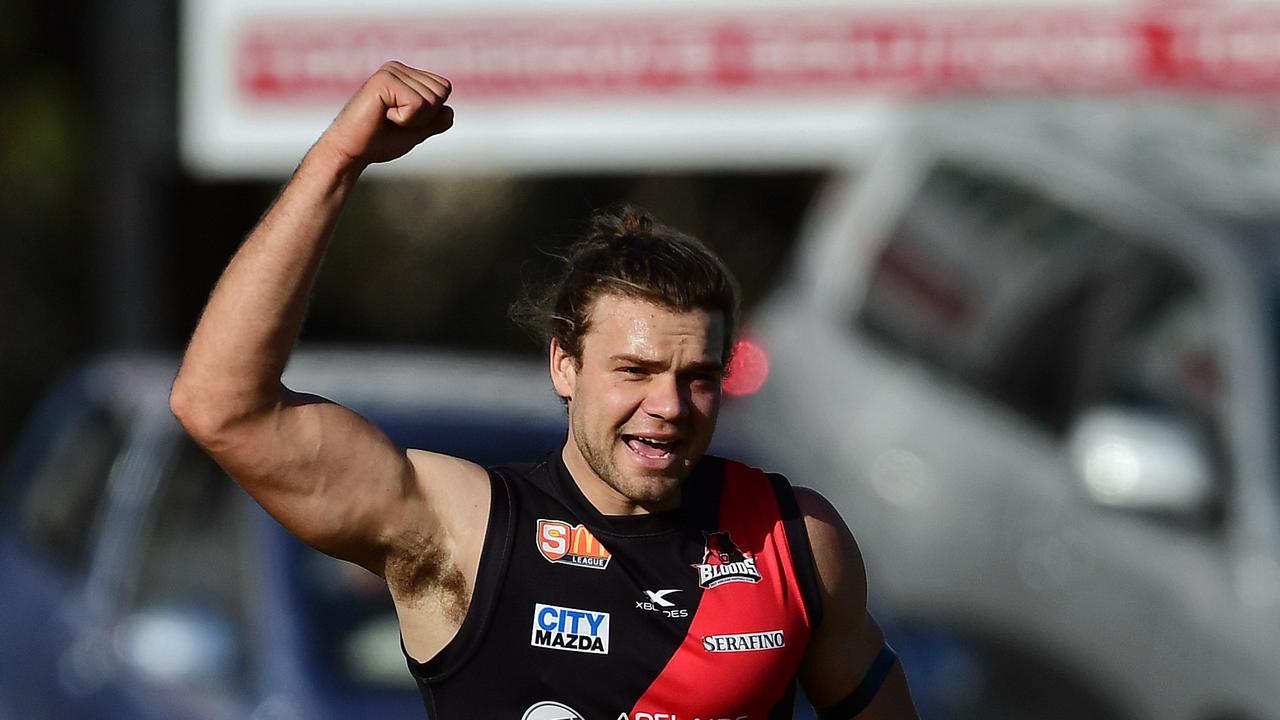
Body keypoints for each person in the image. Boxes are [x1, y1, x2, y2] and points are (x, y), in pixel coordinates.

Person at [170, 60, 919, 720]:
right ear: (564, 365)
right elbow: (223, 409)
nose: (668, 406)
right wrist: (338, 160)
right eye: (635, 371)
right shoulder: (459, 534)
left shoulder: (795, 542)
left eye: (698, 378)